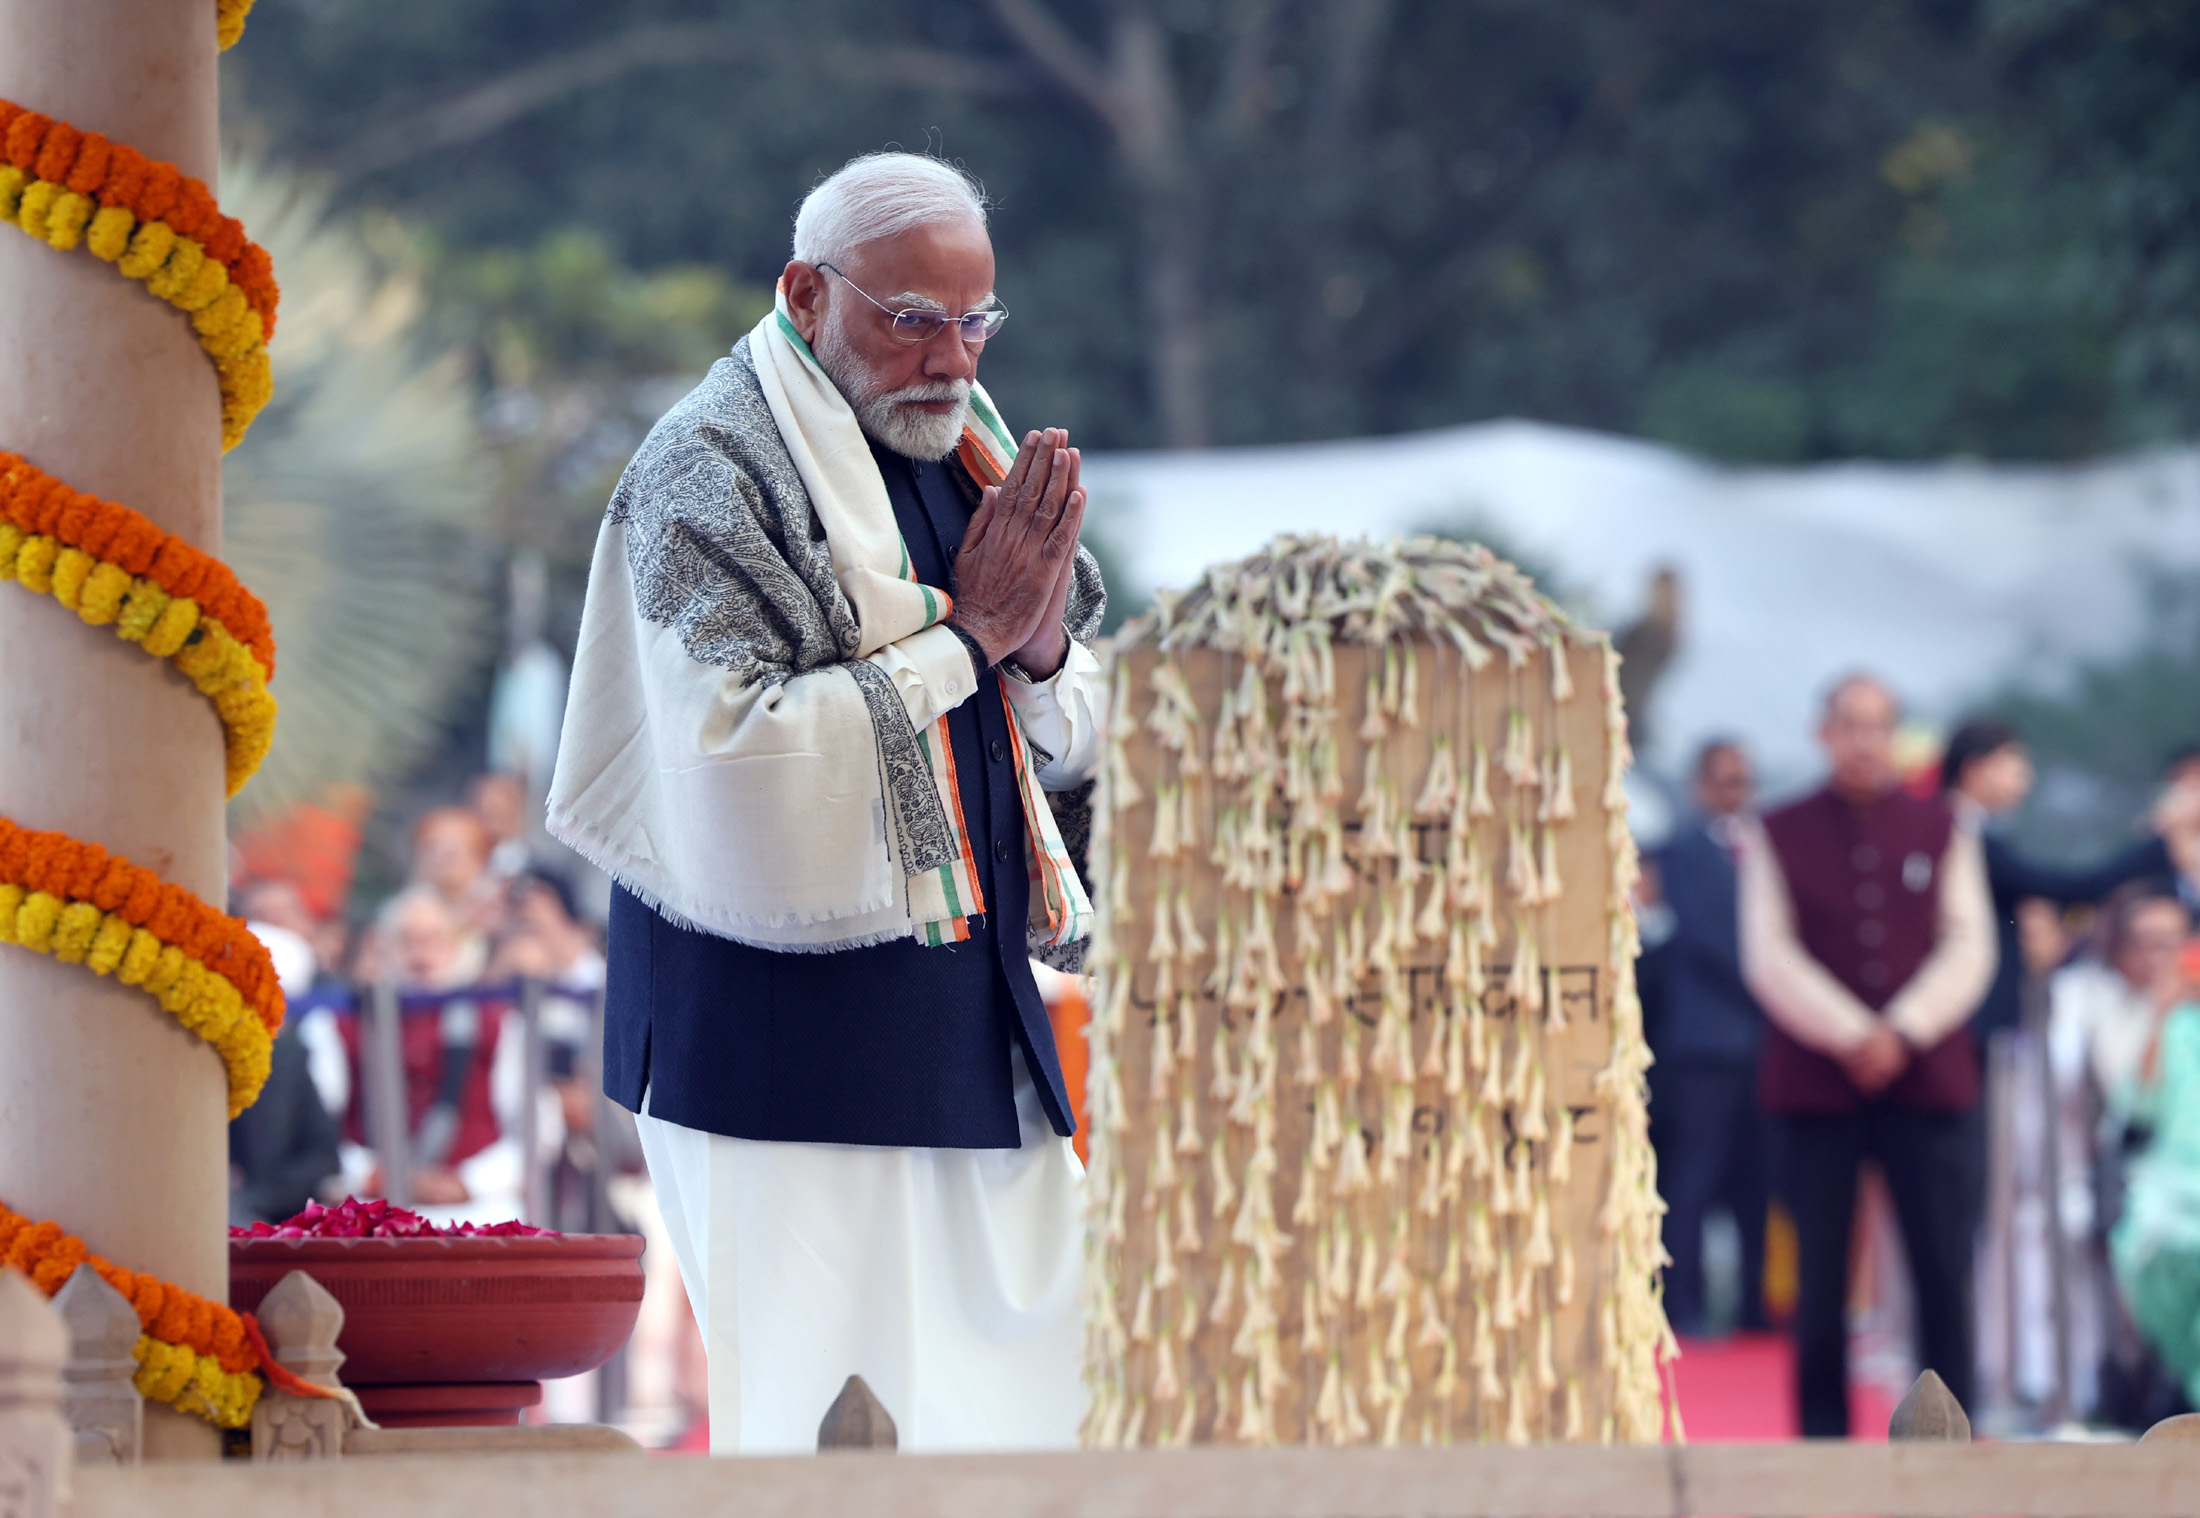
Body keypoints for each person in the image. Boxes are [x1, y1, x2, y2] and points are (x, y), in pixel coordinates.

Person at [547, 152, 1105, 1454]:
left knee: (1058, 1390)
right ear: (805, 291)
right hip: (770, 1039)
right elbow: (735, 761)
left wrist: (1027, 650)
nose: (950, 356)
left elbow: (1061, 690)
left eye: (976, 319)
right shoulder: (707, 467)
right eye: (913, 317)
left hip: (970, 1019)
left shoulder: (969, 441)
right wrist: (969, 638)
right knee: (828, 1425)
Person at [1739, 673, 1996, 1436]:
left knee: (1942, 1268)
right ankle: (1821, 1440)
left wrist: (1906, 1028)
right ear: (1824, 734)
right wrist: (1853, 1032)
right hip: (1818, 1081)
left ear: (1896, 735)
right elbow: (1769, 953)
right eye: (1848, 725)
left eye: (1878, 725)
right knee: (1820, 1273)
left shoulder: (1943, 825)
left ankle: (1953, 1433)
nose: (1863, 740)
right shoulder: (1777, 828)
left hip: (1927, 1077)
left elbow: (1969, 942)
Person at [1939, 717, 2192, 1049]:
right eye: (2014, 764)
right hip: (1970, 1013)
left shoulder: (1974, 833)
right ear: (1975, 770)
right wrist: (2158, 843)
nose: (2025, 777)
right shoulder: (1963, 836)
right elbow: (2073, 887)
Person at [1646, 738, 1772, 1337]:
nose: (1733, 791)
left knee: (1759, 1181)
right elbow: (1700, 933)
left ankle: (1755, 1307)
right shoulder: (1679, 852)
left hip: (1764, 1044)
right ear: (1700, 785)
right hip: (1703, 1045)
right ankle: (1684, 1306)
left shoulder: (1767, 850)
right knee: (1695, 1176)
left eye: (1742, 780)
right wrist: (1769, 974)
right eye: (1722, 780)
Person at [2107, 906, 2200, 1417]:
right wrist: (2162, 1012)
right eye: (2146, 942)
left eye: (2170, 942)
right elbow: (2134, 1110)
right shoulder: (2127, 1011)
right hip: (2168, 1184)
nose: (2159, 956)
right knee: (2153, 1241)